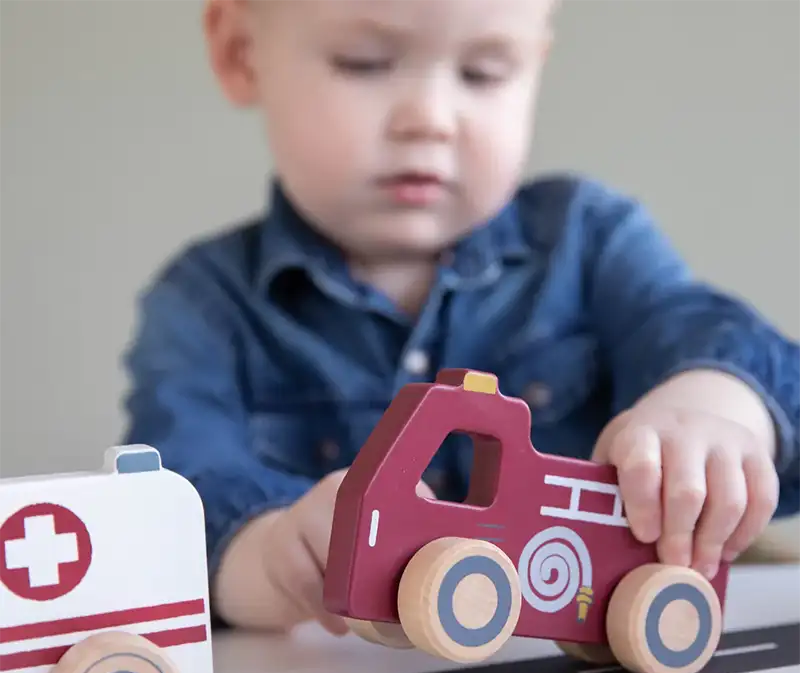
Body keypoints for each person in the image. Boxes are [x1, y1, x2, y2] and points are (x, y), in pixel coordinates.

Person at [121, 0, 800, 636]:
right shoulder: (201, 305)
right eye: (364, 62)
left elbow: (700, 327)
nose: (430, 118)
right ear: (242, 54)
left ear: (535, 69)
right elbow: (179, 499)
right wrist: (269, 553)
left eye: (483, 73)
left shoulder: (589, 241)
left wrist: (718, 406)